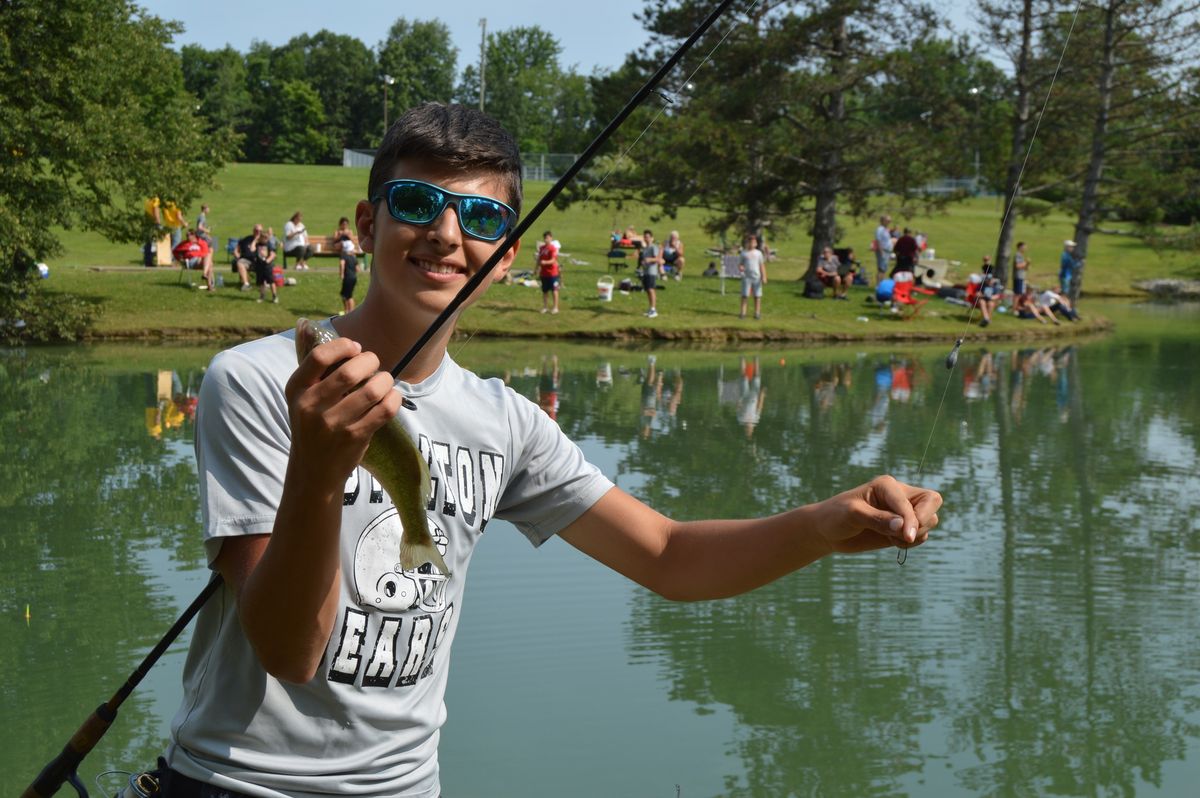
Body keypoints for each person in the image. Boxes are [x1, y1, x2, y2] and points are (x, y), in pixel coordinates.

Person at [161, 103, 939, 798]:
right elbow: (289, 650)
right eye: (417, 203)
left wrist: (820, 526)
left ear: (506, 256)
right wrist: (321, 472)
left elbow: (667, 557)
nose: (445, 233)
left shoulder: (507, 423)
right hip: (239, 785)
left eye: (479, 218)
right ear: (367, 226)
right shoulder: (263, 381)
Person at [738, 233, 767, 319]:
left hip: (756, 277)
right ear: (747, 243)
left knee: (757, 296)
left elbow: (762, 265)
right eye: (750, 242)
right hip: (747, 277)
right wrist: (741, 267)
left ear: (756, 244)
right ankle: (743, 313)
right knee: (745, 295)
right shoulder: (744, 253)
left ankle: (757, 313)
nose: (752, 244)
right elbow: (740, 264)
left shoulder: (758, 253)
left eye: (754, 242)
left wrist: (764, 276)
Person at [638, 228, 662, 318]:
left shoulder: (653, 247)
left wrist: (649, 259)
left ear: (652, 238)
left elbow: (657, 259)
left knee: (651, 290)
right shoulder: (645, 248)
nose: (646, 239)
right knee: (648, 290)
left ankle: (653, 309)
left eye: (648, 237)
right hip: (646, 271)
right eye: (645, 237)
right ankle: (650, 308)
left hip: (652, 271)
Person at [231, 224, 262, 290]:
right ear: (253, 231)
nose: (258, 232)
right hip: (246, 260)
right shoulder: (246, 239)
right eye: (256, 230)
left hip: (259, 262)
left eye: (260, 231)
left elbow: (253, 249)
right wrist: (238, 256)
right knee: (240, 262)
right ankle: (246, 284)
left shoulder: (263, 241)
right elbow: (236, 250)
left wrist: (255, 240)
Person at [537, 230, 560, 314]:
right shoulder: (542, 248)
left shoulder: (553, 248)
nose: (546, 239)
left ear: (551, 238)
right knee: (545, 291)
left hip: (552, 273)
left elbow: (553, 260)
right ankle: (545, 307)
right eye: (545, 238)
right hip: (544, 273)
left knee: (554, 290)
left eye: (547, 238)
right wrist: (536, 269)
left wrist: (545, 262)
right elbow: (539, 259)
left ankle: (555, 307)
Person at [250, 238, 278, 303]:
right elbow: (252, 249)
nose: (265, 240)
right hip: (259, 266)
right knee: (261, 283)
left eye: (266, 238)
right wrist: (255, 240)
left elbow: (273, 254)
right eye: (263, 238)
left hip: (267, 267)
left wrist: (267, 261)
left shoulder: (269, 244)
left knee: (271, 281)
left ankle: (274, 296)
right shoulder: (257, 244)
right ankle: (262, 296)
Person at [976, 259, 1002, 327]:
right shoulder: (982, 284)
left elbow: (998, 295)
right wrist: (981, 295)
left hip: (991, 300)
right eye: (988, 280)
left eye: (990, 280)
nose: (989, 281)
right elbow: (977, 293)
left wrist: (992, 297)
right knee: (982, 302)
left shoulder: (995, 285)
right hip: (982, 299)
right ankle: (986, 318)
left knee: (990, 304)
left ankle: (987, 319)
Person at [338, 230, 358, 315]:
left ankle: (349, 312)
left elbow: (342, 264)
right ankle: (349, 311)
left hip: (347, 277)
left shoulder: (344, 255)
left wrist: (341, 274)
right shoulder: (353, 257)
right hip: (353, 277)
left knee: (346, 296)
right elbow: (358, 269)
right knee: (348, 295)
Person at [873, 214, 894, 286]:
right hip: (882, 251)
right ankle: (878, 285)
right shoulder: (880, 229)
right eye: (887, 220)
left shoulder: (885, 229)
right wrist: (881, 251)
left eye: (889, 221)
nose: (889, 222)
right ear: (883, 221)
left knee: (884, 269)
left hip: (887, 251)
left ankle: (882, 285)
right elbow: (878, 240)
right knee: (881, 269)